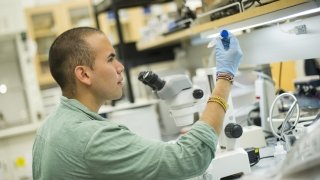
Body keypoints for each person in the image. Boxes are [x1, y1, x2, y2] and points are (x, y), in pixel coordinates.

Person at [32, 27, 243, 180]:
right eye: (110, 59)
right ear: (84, 74)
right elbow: (191, 158)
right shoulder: (91, 137)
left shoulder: (50, 127)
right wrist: (225, 77)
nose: (120, 66)